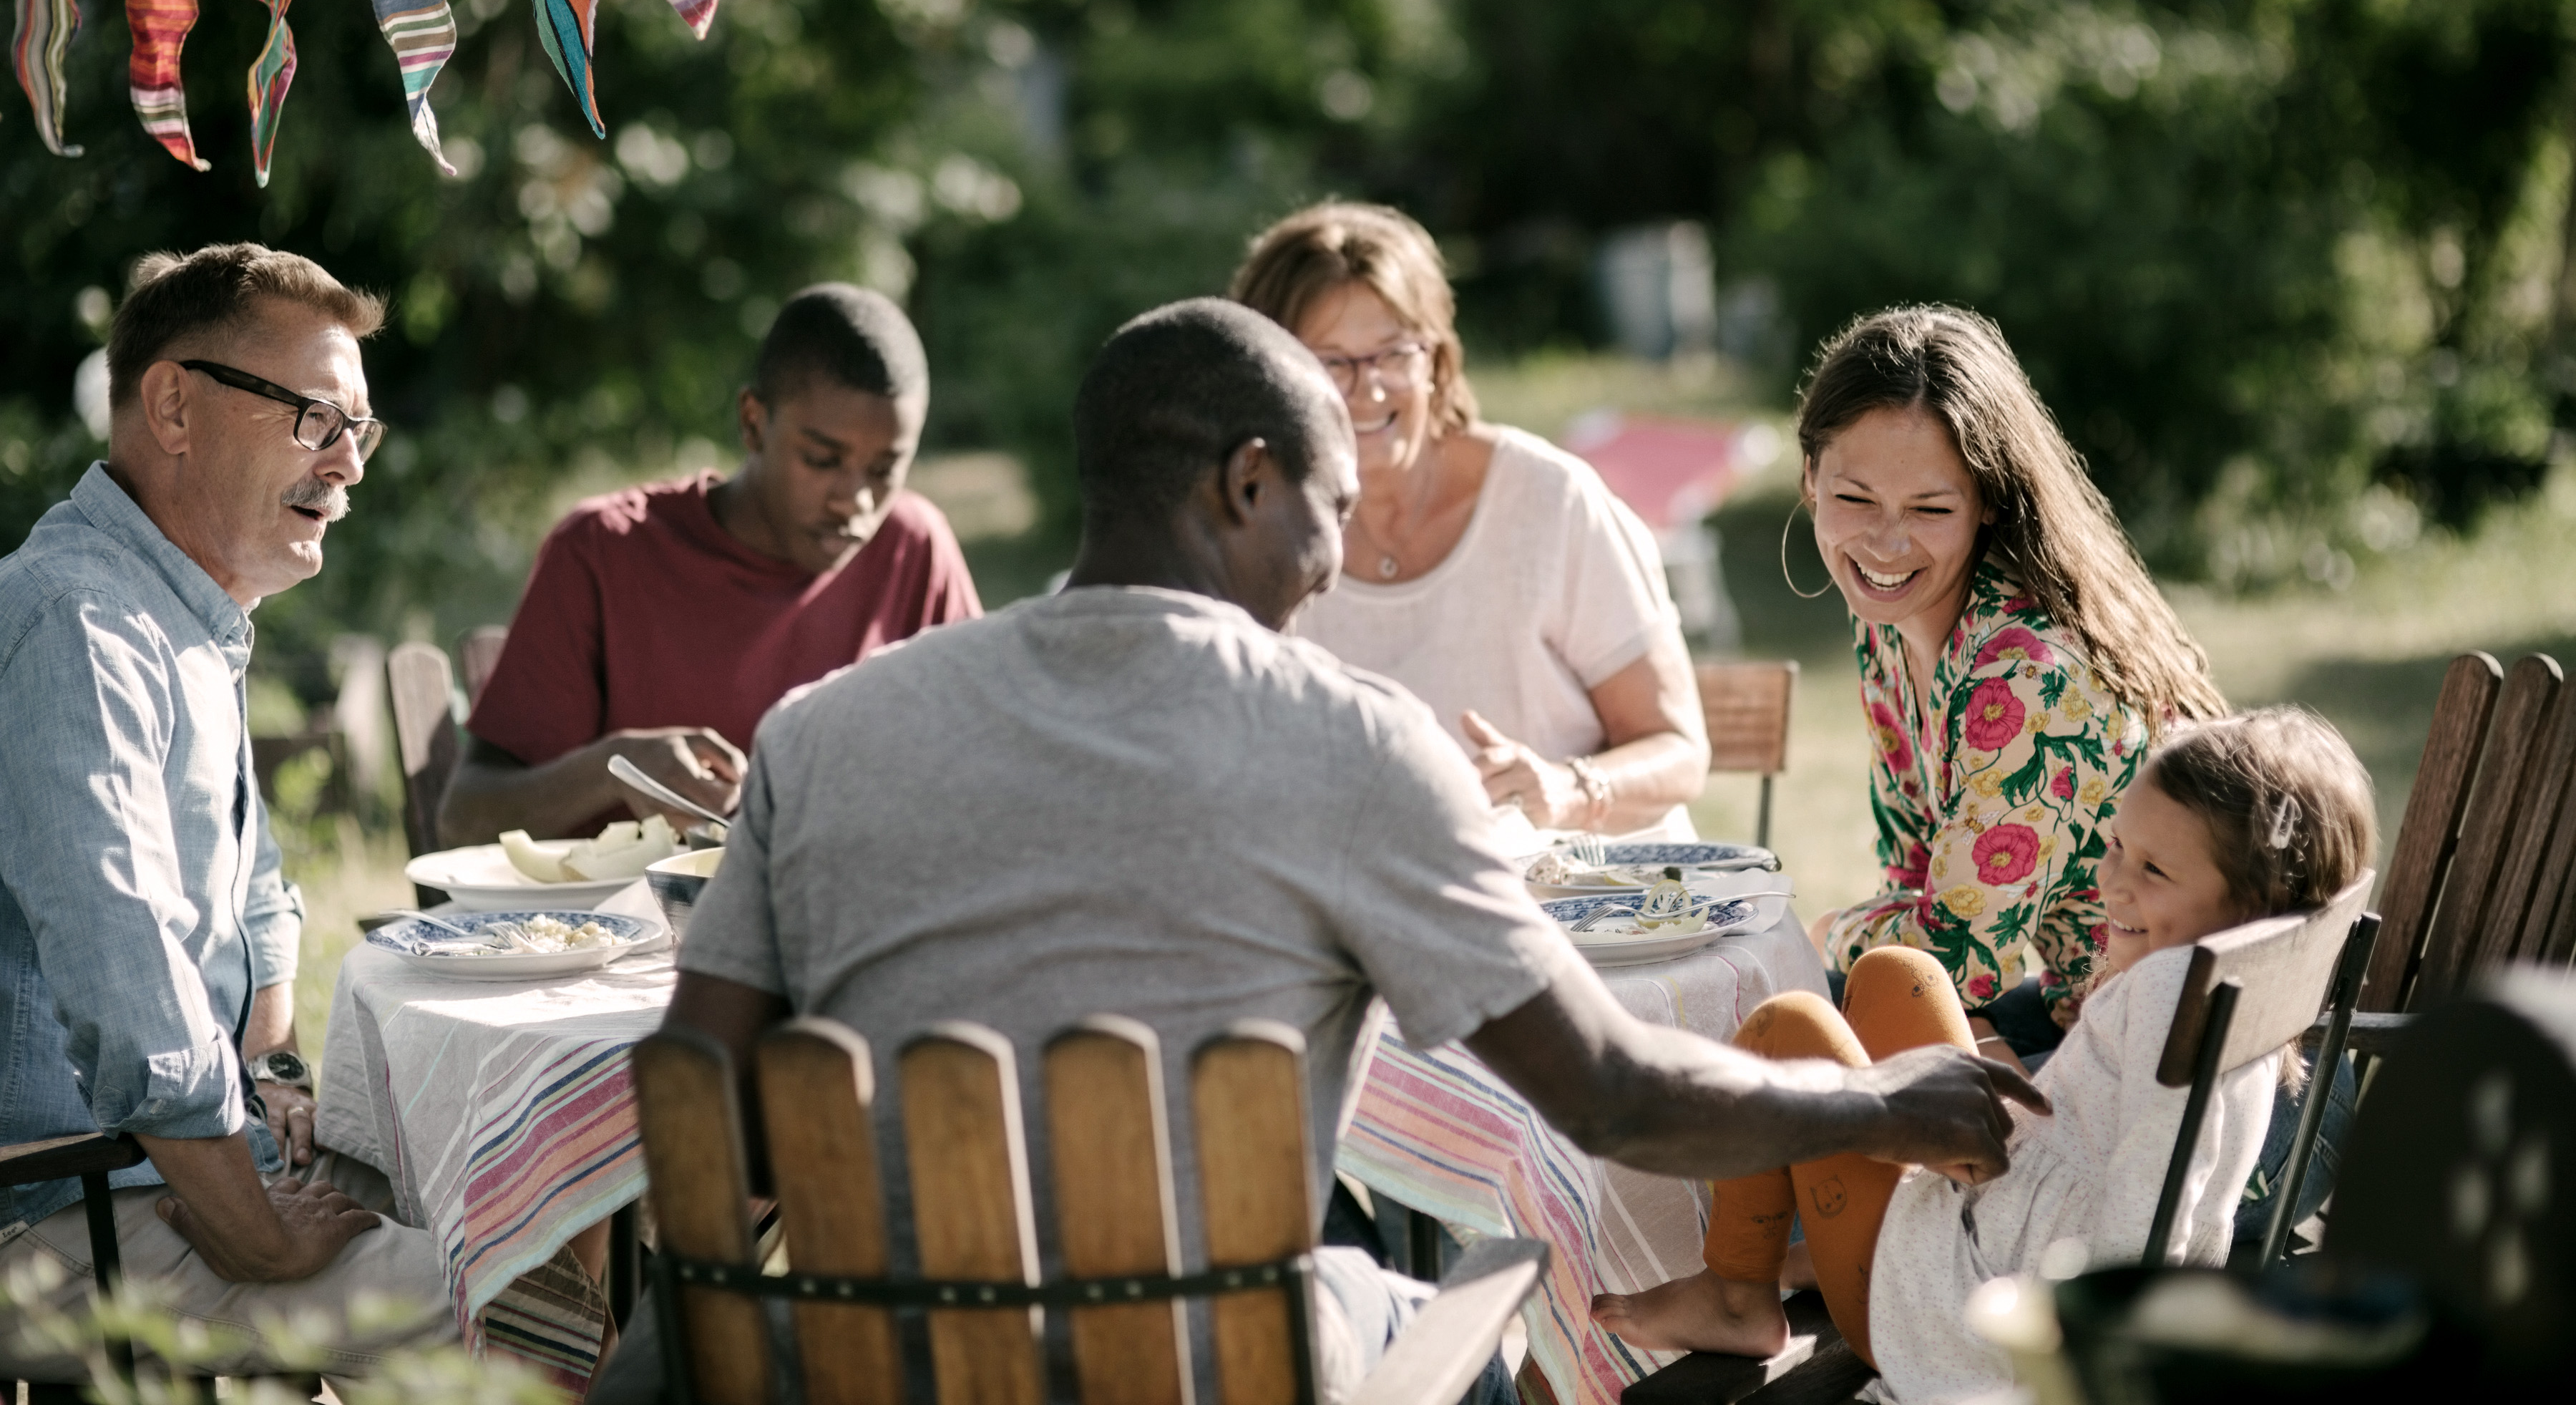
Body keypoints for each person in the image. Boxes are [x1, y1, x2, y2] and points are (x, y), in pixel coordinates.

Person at [590, 298, 2042, 1405]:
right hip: (1208, 1375)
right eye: (1332, 509)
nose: (1338, 558)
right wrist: (1883, 1107)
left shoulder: (820, 732)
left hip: (858, 1371)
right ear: (1247, 483)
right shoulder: (1353, 744)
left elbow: (700, 1102)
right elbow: (1608, 1094)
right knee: (1459, 1320)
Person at [1592, 708, 2374, 1401]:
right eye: (2117, 848)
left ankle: (1736, 1290)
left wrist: (2079, 1358)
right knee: (1898, 976)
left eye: (2154, 870)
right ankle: (1808, 1258)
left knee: (1788, 1028)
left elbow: (2142, 1229)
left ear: (2257, 904)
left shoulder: (2176, 995)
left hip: (1946, 1313)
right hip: (1991, 1224)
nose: (2112, 882)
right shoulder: (2227, 985)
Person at [0, 244, 454, 1379]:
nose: (350, 465)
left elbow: (250, 893)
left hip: (146, 1160)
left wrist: (274, 1077)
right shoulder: (76, 625)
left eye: (360, 427)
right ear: (173, 407)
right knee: (498, 1306)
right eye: (315, 417)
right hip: (52, 1202)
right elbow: (127, 976)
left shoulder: (180, 615)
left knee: (518, 1200)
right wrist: (253, 1228)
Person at [1786, 306, 2228, 1066]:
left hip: (2210, 1088)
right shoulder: (1889, 626)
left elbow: (1953, 961)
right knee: (1819, 1044)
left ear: (1990, 502)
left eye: (1930, 509)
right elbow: (1915, 871)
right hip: (2097, 1024)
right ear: (1810, 480)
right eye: (1855, 499)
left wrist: (1824, 929)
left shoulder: (2025, 680)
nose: (1886, 544)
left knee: (1816, 1037)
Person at [1230, 203, 1709, 839]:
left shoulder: (1551, 502)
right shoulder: (1249, 526)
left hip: (1594, 913)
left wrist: (1566, 790)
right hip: (1363, 911)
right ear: (1272, 375)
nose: (1368, 389)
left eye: (1393, 354)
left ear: (1437, 361)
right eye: (1332, 362)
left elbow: (1678, 751)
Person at [441, 283, 980, 842]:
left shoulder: (914, 549)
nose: (856, 501)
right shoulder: (606, 553)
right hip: (638, 925)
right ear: (752, 422)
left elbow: (987, 767)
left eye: (885, 469)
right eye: (822, 459)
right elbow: (465, 817)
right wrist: (614, 767)